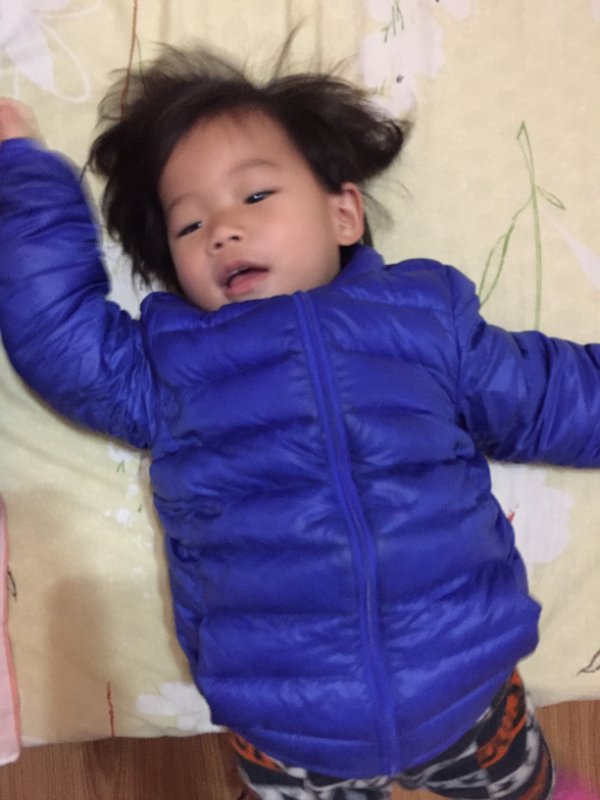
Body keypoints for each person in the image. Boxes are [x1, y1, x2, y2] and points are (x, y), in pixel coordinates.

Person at [0, 45, 598, 800]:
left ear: (344, 213)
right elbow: (58, 333)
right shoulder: (174, 366)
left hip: (469, 686)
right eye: (189, 225)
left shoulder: (423, 320)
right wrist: (20, 171)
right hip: (286, 728)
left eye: (255, 196)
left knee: (522, 785)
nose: (222, 230)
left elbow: (551, 395)